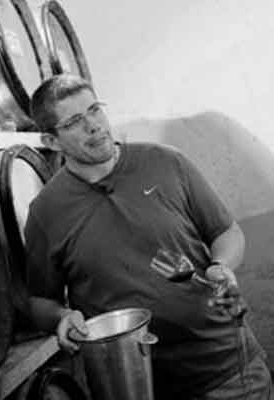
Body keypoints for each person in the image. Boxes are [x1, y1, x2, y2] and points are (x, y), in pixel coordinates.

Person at [23, 74, 270, 399]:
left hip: (226, 369)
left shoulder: (165, 161)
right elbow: (41, 301)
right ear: (51, 141)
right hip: (136, 384)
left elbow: (227, 233)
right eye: (75, 122)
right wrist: (62, 317)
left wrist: (222, 266)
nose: (94, 126)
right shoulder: (46, 211)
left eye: (95, 110)